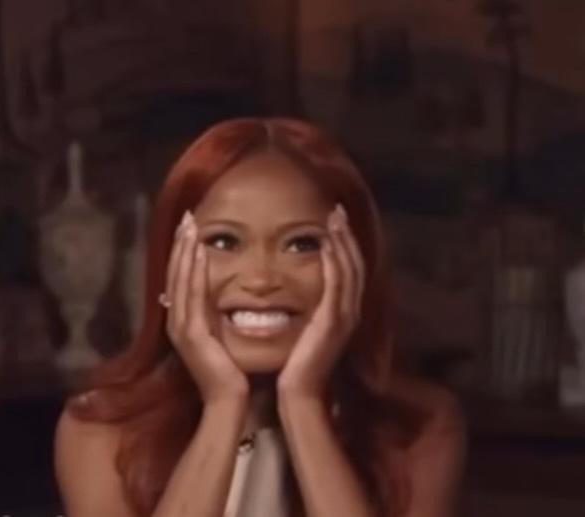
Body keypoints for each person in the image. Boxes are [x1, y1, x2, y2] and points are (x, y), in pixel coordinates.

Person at [55, 117, 465, 517]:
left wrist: (303, 402)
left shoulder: (419, 428)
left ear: (356, 263)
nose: (261, 279)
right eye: (223, 241)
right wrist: (223, 404)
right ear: (169, 264)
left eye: (301, 244)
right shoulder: (101, 430)